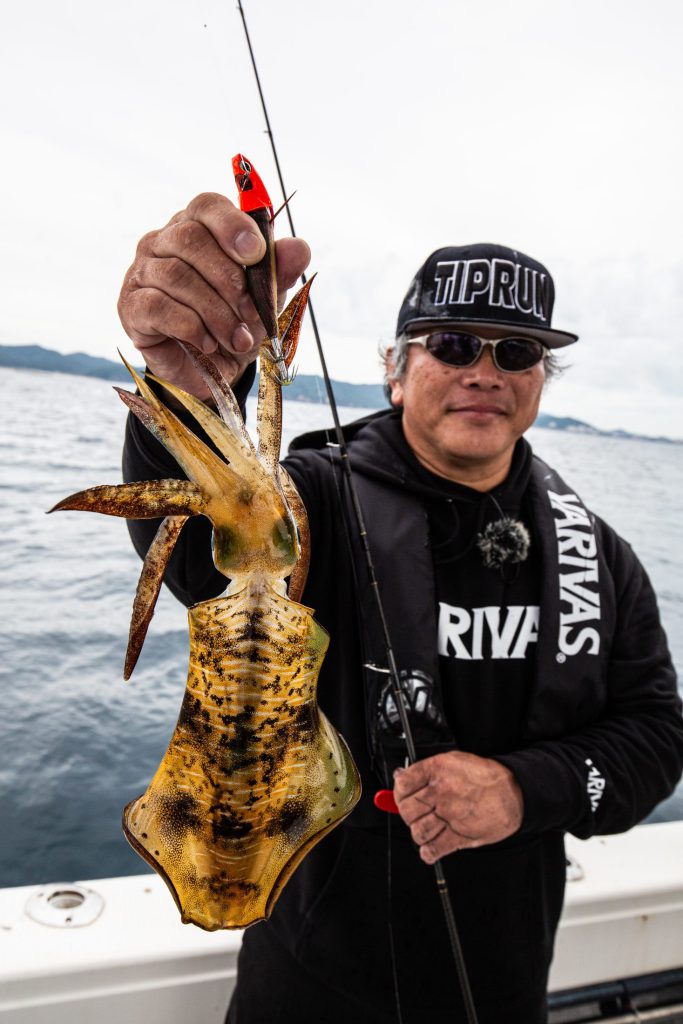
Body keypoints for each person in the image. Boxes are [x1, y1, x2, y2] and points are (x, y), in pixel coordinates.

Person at [118, 193, 683, 1024]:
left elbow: (655, 738)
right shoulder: (309, 500)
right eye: (451, 344)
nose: (483, 372)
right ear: (396, 369)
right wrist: (190, 383)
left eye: (516, 351)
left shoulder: (597, 555)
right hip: (306, 982)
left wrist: (524, 788)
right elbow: (199, 551)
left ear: (538, 380)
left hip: (500, 983)